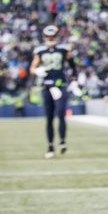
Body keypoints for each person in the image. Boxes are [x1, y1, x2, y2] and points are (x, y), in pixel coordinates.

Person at [30, 25, 76, 159]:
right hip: (47, 87)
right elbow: (33, 67)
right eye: (48, 36)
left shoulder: (63, 49)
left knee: (61, 112)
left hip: (60, 85)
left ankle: (62, 141)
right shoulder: (40, 51)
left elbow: (72, 66)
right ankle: (50, 146)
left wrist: (74, 80)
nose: (51, 39)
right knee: (49, 117)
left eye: (53, 36)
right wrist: (37, 71)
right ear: (45, 37)